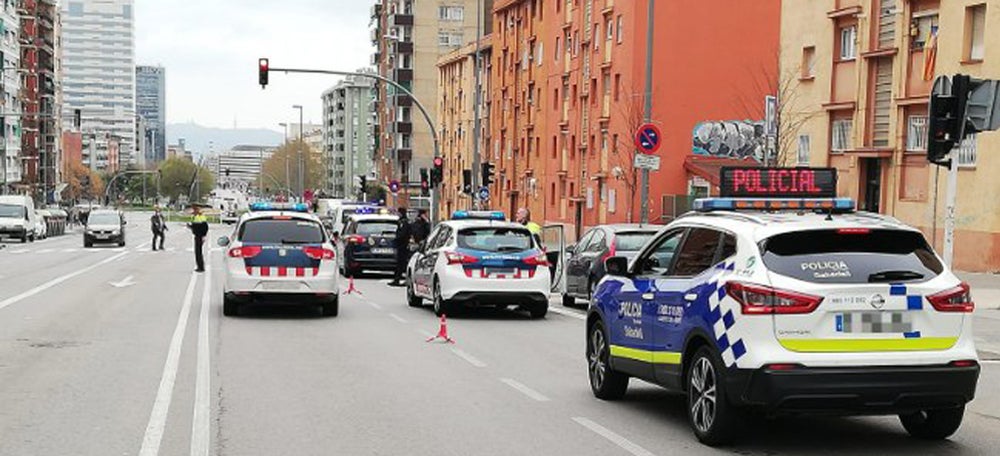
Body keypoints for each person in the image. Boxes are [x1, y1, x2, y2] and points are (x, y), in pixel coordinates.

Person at [389, 207, 412, 287]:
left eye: (398, 212)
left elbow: (402, 234)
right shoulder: (403, 221)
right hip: (402, 245)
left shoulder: (404, 222)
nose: (397, 214)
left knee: (402, 263)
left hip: (403, 245)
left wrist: (396, 240)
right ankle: (397, 279)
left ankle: (399, 280)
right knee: (401, 264)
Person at [187, 205, 209, 272]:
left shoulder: (200, 217)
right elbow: (195, 227)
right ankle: (200, 266)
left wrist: (203, 236)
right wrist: (190, 226)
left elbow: (204, 227)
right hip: (197, 235)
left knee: (198, 252)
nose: (193, 211)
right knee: (198, 252)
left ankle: (201, 267)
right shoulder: (196, 217)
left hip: (199, 236)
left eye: (194, 210)